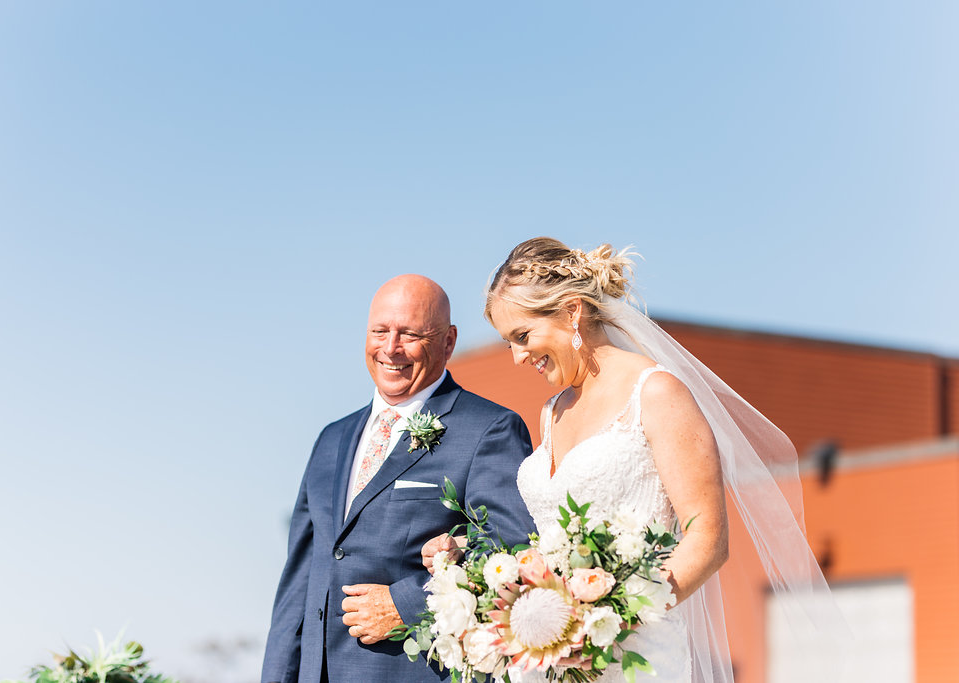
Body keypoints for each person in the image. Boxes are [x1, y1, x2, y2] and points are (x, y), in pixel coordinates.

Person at [425, 238, 839, 682]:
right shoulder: (551, 412)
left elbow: (708, 540)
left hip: (633, 659)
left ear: (571, 311)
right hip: (550, 661)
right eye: (508, 342)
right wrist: (472, 563)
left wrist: (606, 617)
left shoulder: (656, 393)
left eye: (522, 337)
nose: (517, 357)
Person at [262, 274, 536, 683]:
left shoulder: (489, 429)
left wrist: (406, 604)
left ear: (448, 341)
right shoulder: (331, 439)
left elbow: (514, 550)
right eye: (380, 331)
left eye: (410, 334)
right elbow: (299, 582)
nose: (391, 348)